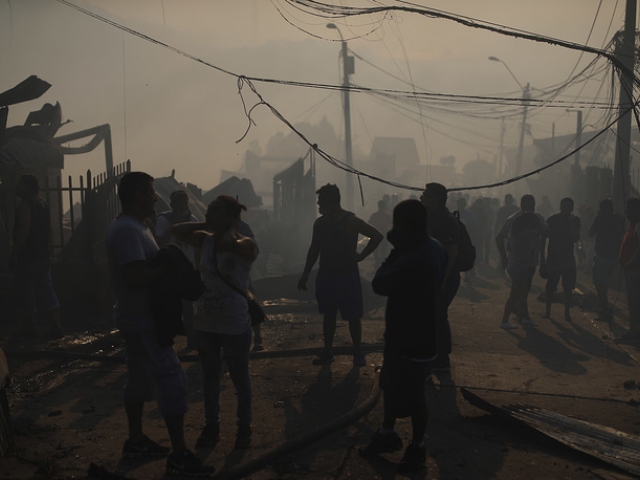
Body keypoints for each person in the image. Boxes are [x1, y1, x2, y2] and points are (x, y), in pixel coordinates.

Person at [106, 172, 213, 477]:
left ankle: (137, 441)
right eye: (152, 193)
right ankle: (179, 455)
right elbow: (134, 276)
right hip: (143, 319)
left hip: (136, 316)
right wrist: (168, 267)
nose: (156, 197)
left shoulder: (138, 226)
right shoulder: (127, 230)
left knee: (139, 380)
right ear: (138, 196)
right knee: (173, 381)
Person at [360, 199, 446, 472]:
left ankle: (417, 447)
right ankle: (387, 433)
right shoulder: (435, 247)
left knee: (414, 394)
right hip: (420, 333)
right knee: (391, 384)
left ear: (404, 225)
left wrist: (394, 251)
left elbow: (379, 284)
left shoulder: (412, 255)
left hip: (410, 337)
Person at [172, 195, 258, 449]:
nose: (207, 216)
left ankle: (244, 427)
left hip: (235, 324)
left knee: (240, 378)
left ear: (231, 218)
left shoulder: (246, 244)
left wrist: (225, 233)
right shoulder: (205, 241)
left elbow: (244, 249)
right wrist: (210, 227)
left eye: (213, 213)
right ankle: (212, 426)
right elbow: (176, 230)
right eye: (207, 212)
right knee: (209, 377)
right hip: (206, 323)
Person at [297, 184, 383, 367]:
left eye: (321, 201)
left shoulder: (351, 221)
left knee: (352, 317)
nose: (319, 204)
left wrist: (363, 255)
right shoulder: (320, 223)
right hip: (326, 275)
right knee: (328, 316)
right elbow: (314, 249)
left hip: (347, 275)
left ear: (331, 201)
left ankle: (358, 352)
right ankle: (328, 352)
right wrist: (305, 274)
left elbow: (376, 236)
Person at [9, 174, 62, 338]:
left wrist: (14, 253)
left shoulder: (26, 205)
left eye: (20, 184)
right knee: (47, 288)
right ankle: (57, 326)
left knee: (25, 289)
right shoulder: (43, 203)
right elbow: (49, 230)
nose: (16, 187)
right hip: (43, 254)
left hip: (29, 255)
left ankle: (30, 328)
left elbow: (24, 230)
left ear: (28, 187)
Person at [420, 182, 460, 372]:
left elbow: (451, 252)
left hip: (444, 278)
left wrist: (442, 280)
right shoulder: (429, 218)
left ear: (436, 199)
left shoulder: (445, 220)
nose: (422, 197)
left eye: (425, 195)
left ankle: (442, 358)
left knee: (438, 316)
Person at [155, 190, 200, 348]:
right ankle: (168, 342)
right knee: (170, 306)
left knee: (188, 307)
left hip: (187, 267)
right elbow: (160, 243)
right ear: (173, 205)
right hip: (169, 269)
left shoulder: (192, 220)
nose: (182, 208)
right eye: (179, 204)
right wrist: (174, 226)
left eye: (185, 204)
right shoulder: (164, 219)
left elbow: (196, 245)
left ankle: (192, 341)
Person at [496, 195, 547, 329]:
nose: (530, 209)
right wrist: (504, 258)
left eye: (532, 206)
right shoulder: (518, 223)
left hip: (528, 262)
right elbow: (544, 231)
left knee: (523, 291)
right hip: (520, 264)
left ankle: (523, 316)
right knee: (518, 293)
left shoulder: (531, 221)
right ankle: (513, 318)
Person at [540, 197, 581, 322]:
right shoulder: (552, 220)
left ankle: (567, 312)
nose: (566, 208)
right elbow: (543, 238)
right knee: (551, 287)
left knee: (568, 288)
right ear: (560, 207)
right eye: (564, 206)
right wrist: (541, 258)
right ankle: (547, 311)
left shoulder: (575, 220)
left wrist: (572, 223)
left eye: (569, 206)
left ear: (572, 208)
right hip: (554, 258)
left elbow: (575, 238)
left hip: (568, 259)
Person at [589, 198, 625, 318]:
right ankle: (602, 304)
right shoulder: (620, 219)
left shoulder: (600, 219)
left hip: (602, 255)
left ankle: (604, 307)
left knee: (599, 282)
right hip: (615, 256)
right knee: (604, 281)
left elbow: (590, 233)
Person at [617, 197, 640, 344]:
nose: (626, 211)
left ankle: (633, 333)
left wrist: (630, 263)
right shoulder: (632, 226)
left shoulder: (638, 226)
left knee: (634, 303)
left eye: (630, 208)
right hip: (631, 269)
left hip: (635, 271)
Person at [368, 200, 393, 269]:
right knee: (383, 249)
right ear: (385, 206)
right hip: (384, 235)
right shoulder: (388, 216)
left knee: (375, 249)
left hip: (375, 234)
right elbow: (392, 225)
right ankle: (381, 262)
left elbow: (369, 224)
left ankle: (377, 261)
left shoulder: (374, 215)